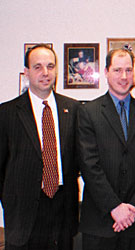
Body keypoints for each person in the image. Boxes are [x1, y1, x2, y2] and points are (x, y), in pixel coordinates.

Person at [78, 48, 135, 250]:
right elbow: (89, 165)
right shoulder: (88, 112)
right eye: (117, 70)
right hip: (99, 221)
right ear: (106, 72)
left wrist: (133, 208)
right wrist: (114, 207)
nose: (123, 77)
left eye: (128, 70)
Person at [0, 44, 79, 250]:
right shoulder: (6, 113)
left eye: (50, 66)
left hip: (62, 208)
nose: (45, 73)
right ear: (26, 72)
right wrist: (12, 201)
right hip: (23, 214)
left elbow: (79, 160)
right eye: (38, 67)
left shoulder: (74, 109)